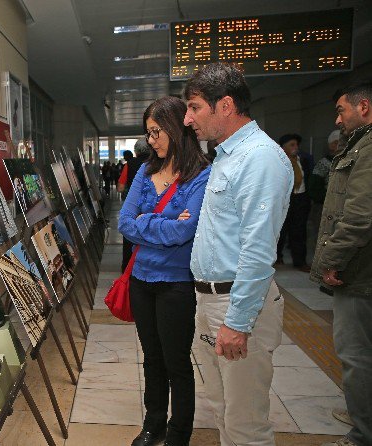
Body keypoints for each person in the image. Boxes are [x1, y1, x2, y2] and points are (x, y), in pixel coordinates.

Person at [184, 62, 293, 446]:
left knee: (246, 421)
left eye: (195, 107)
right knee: (222, 408)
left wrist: (239, 322)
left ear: (225, 105)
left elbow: (259, 251)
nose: (187, 118)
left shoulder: (259, 158)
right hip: (211, 300)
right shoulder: (227, 155)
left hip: (236, 303)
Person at [119, 96, 210, 446]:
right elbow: (125, 223)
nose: (151, 140)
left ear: (175, 128)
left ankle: (179, 432)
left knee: (176, 362)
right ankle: (153, 423)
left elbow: (183, 232)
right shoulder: (145, 171)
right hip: (142, 281)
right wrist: (165, 221)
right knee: (152, 358)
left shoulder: (200, 175)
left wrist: (148, 221)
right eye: (148, 133)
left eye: (156, 132)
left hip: (177, 285)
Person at [311, 83, 372, 446]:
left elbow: (359, 217)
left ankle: (362, 433)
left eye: (341, 110)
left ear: (363, 107)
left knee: (356, 354)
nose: (338, 118)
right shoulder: (359, 145)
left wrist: (330, 262)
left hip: (360, 272)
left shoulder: (367, 149)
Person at [276, 133, 314, 271]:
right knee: (281, 229)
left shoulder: (303, 160)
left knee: (299, 231)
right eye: (292, 145)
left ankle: (300, 261)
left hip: (300, 198)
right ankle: (277, 257)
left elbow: (308, 176)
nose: (295, 147)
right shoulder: (278, 161)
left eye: (296, 144)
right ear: (283, 147)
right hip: (285, 199)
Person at [119, 139, 152, 271]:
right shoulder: (157, 163)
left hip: (133, 211)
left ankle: (128, 269)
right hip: (151, 210)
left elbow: (120, 187)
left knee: (130, 239)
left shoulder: (130, 164)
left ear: (136, 151)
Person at [309, 129, 342, 205]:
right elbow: (314, 187)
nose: (341, 145)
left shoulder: (348, 161)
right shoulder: (324, 163)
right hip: (326, 205)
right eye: (336, 142)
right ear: (331, 145)